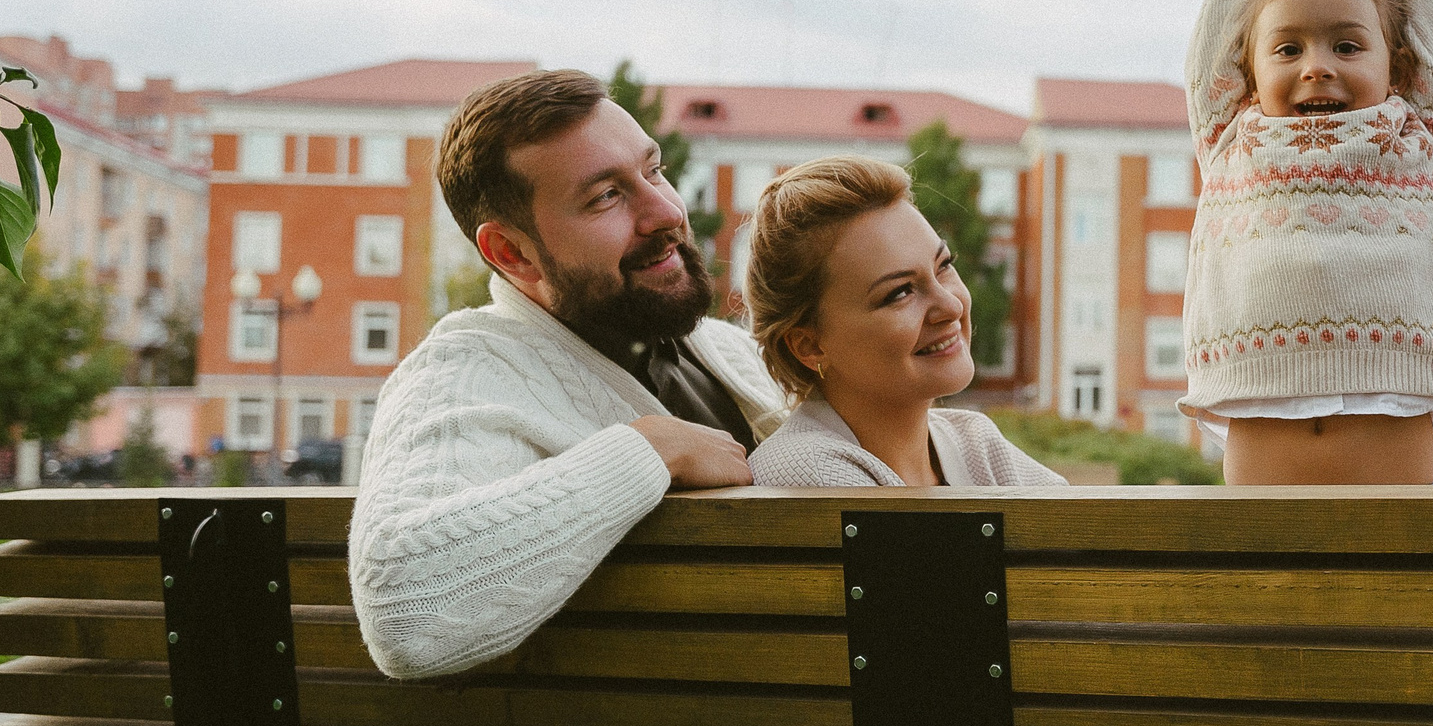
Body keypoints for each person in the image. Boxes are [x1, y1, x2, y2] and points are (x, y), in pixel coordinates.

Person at [348, 70, 780, 680]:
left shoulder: (721, 350)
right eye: (604, 196)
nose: (665, 212)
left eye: (654, 172)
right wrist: (648, 450)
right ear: (512, 254)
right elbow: (406, 614)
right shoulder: (465, 373)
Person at [1180, 0, 1433, 485]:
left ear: (1396, 66)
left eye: (1347, 46)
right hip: (1263, 431)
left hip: (1391, 426)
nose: (1317, 67)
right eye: (1288, 49)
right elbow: (1210, 39)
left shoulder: (1419, 134)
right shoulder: (1235, 137)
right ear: (1249, 75)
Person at [746, 155, 1064, 488]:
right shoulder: (803, 470)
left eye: (943, 265)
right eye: (899, 293)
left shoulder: (976, 444)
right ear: (809, 345)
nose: (951, 304)